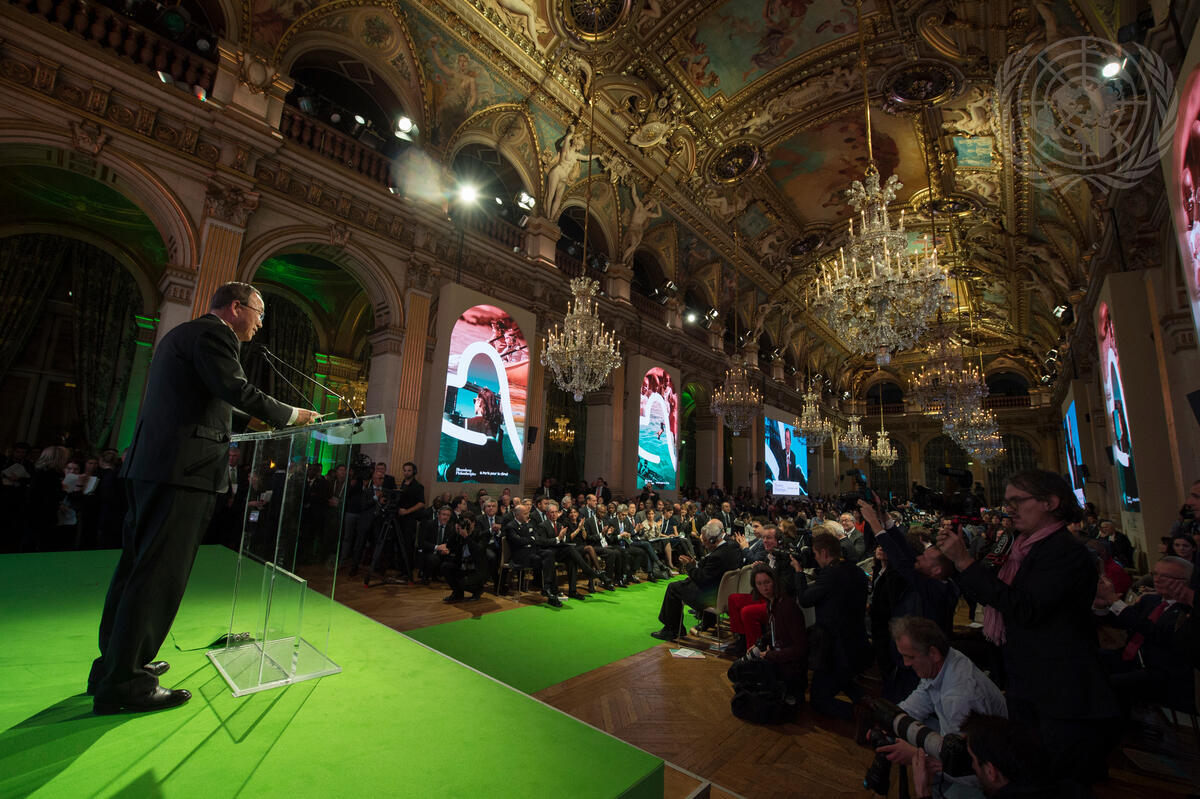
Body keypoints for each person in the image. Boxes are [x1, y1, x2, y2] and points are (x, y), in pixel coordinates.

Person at [88, 282, 319, 715]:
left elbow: (209, 399)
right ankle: (126, 683)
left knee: (136, 569)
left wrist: (253, 421)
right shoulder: (215, 335)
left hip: (156, 468)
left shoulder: (184, 334)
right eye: (259, 314)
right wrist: (292, 415)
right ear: (235, 307)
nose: (260, 324)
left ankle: (115, 665)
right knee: (158, 576)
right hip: (183, 472)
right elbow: (235, 388)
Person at [936, 469, 1119, 785]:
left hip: (1060, 692)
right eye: (1007, 502)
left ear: (1050, 502)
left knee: (1057, 781)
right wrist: (957, 565)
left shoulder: (1064, 551)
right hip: (1032, 682)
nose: (1010, 509)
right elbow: (993, 594)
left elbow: (1025, 608)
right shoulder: (1022, 547)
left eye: (1018, 501)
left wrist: (965, 562)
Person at [873, 616, 1007, 779]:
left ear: (933, 653)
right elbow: (920, 699)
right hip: (962, 738)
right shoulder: (943, 661)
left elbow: (970, 770)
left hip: (987, 770)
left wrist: (916, 755)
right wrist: (887, 721)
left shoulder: (960, 698)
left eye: (910, 657)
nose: (906, 663)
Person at [799, 531, 871, 720]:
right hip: (857, 641)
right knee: (843, 680)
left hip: (836, 648)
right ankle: (868, 703)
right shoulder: (855, 570)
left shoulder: (832, 575)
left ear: (824, 552)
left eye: (815, 554)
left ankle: (862, 715)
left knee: (818, 700)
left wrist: (798, 573)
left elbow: (805, 599)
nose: (815, 558)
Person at [726, 564, 808, 722]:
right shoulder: (772, 603)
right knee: (737, 670)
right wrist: (760, 644)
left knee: (741, 675)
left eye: (767, 582)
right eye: (759, 584)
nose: (764, 588)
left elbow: (800, 648)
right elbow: (775, 632)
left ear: (774, 582)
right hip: (778, 657)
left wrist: (771, 655)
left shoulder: (787, 606)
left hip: (789, 667)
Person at [650, 520, 742, 640]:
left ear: (713, 540)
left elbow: (701, 579)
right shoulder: (733, 547)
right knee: (683, 583)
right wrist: (695, 565)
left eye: (705, 541)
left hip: (711, 597)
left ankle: (672, 630)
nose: (703, 544)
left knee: (673, 588)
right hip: (725, 592)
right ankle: (708, 620)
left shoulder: (717, 556)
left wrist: (689, 566)